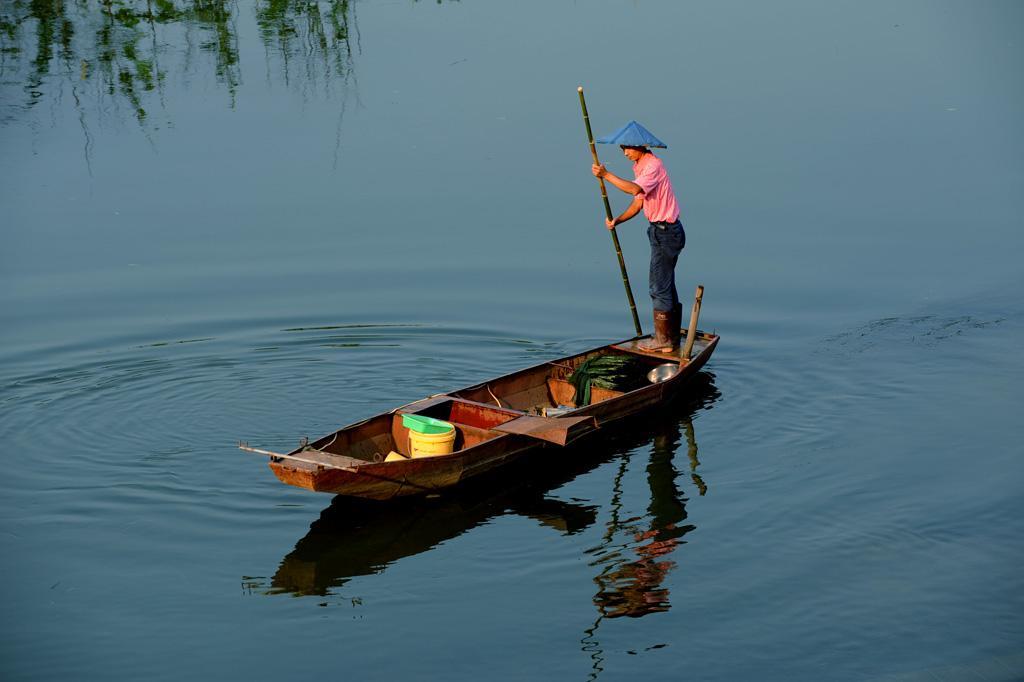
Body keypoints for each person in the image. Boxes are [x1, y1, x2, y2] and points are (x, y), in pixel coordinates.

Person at [590, 120, 685, 352]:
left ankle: (663, 341)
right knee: (665, 283)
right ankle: (669, 338)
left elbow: (634, 189)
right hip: (658, 231)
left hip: (667, 232)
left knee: (658, 286)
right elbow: (638, 203)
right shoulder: (640, 167)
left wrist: (606, 175)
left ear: (640, 147)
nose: (625, 153)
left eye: (628, 148)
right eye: (622, 149)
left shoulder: (652, 166)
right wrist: (617, 221)